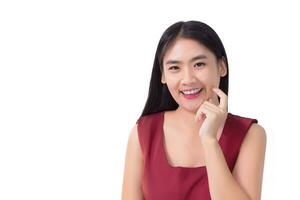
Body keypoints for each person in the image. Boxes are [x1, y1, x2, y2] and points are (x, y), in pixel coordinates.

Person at [122, 20, 266, 200]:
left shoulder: (250, 134)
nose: (188, 79)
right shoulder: (143, 132)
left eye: (199, 64)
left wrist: (209, 141)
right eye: (175, 68)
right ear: (163, 76)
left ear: (221, 67)